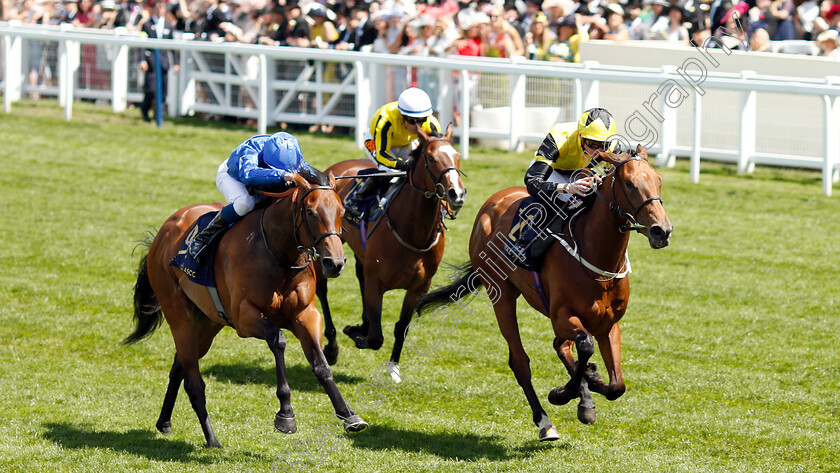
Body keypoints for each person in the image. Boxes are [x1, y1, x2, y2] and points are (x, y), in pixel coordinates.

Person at [188, 131, 313, 260]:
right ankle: (203, 237)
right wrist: (283, 175)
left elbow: (308, 172)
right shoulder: (252, 147)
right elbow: (248, 174)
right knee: (245, 203)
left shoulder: (291, 151)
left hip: (260, 176)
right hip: (233, 175)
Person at [344, 87, 443, 219]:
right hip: (376, 142)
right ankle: (357, 199)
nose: (417, 126)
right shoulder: (385, 119)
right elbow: (382, 155)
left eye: (422, 120)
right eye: (412, 121)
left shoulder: (432, 124)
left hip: (404, 143)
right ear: (401, 116)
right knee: (388, 170)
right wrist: (402, 164)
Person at [525, 108, 620, 207]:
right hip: (552, 172)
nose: (598, 150)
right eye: (593, 144)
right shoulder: (559, 137)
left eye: (604, 145)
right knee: (565, 200)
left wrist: (597, 176)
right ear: (580, 136)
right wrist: (567, 187)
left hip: (578, 175)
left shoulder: (613, 146)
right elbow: (533, 184)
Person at [139, 0, 176, 123]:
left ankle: (158, 116)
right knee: (150, 90)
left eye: (163, 7)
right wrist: (142, 60)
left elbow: (173, 47)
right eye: (158, 7)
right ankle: (145, 110)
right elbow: (142, 45)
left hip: (164, 63)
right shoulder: (147, 25)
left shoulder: (169, 26)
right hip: (151, 63)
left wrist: (175, 63)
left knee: (163, 92)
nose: (160, 9)